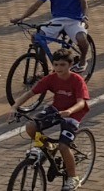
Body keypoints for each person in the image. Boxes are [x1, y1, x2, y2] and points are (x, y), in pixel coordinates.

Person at [9, 48, 89, 191]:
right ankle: (48, 147)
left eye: (62, 65)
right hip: (56, 109)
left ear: (70, 65)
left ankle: (73, 178)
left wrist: (69, 111)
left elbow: (81, 102)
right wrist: (15, 107)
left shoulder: (77, 80)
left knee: (64, 146)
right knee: (31, 126)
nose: (58, 68)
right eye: (56, 64)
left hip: (73, 114)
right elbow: (30, 93)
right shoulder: (51, 78)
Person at [11, 0, 92, 72]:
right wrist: (22, 18)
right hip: (57, 20)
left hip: (75, 20)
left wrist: (85, 17)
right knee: (37, 38)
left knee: (81, 39)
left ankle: (82, 60)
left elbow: (84, 3)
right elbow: (36, 6)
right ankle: (46, 68)